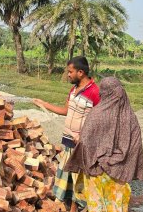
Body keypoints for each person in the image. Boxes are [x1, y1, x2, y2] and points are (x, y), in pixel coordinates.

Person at [64, 77, 143, 212]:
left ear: (103, 93)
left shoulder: (96, 114)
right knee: (116, 206)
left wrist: (79, 140)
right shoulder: (131, 118)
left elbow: (85, 144)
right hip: (120, 173)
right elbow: (135, 146)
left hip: (97, 172)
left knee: (97, 206)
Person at [33, 56, 100, 212]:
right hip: (69, 141)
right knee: (67, 177)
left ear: (81, 72)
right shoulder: (73, 89)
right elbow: (65, 111)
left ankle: (76, 208)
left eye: (70, 72)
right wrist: (43, 104)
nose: (68, 75)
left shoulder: (95, 92)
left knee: (78, 179)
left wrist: (84, 135)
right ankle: (69, 206)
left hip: (82, 145)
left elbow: (100, 120)